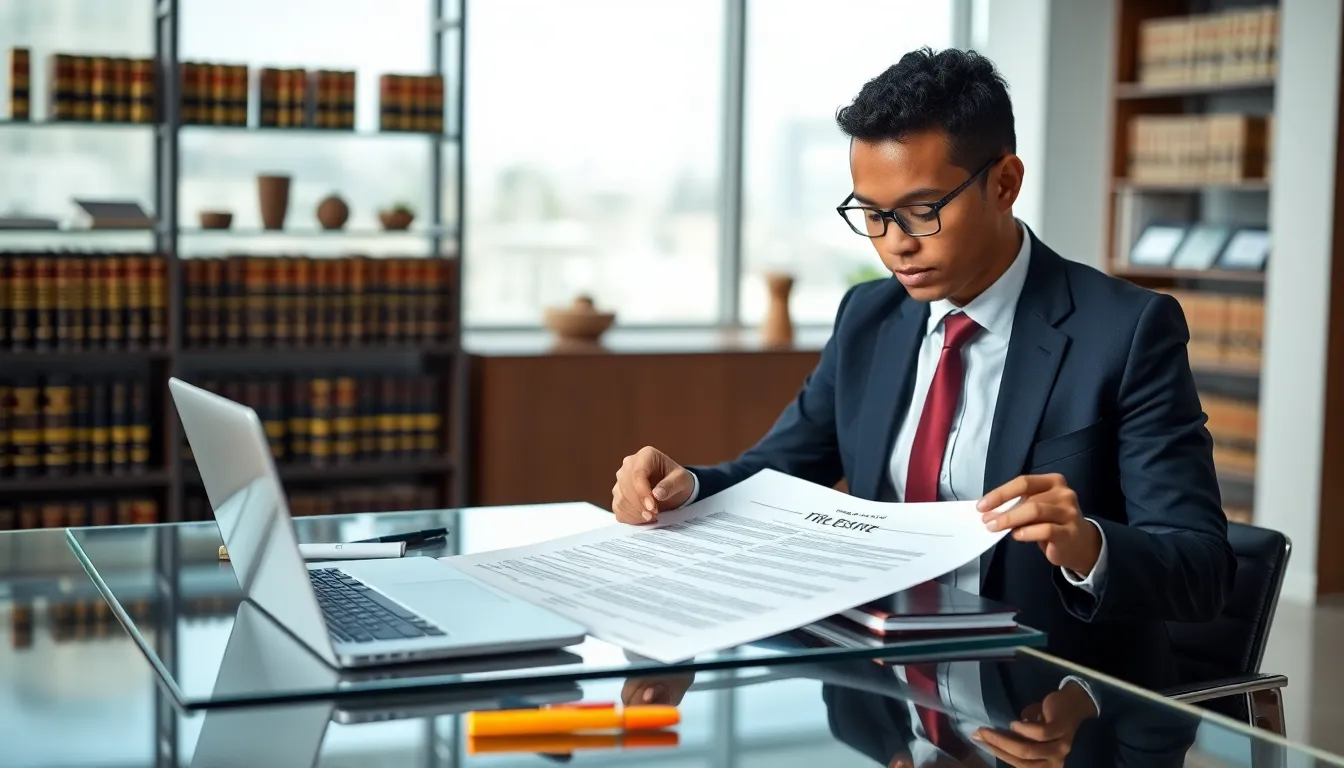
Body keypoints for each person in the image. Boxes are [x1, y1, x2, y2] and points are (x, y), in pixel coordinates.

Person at [610, 47, 1235, 689]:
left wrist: (1089, 545)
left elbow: (1203, 570)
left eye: (922, 210)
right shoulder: (868, 318)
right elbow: (777, 473)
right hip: (884, 695)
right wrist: (685, 488)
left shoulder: (1126, 332)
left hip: (1057, 705)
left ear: (1005, 183)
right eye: (872, 215)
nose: (895, 244)